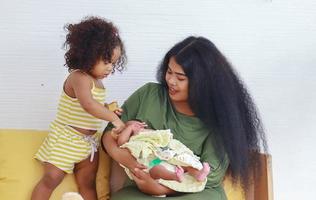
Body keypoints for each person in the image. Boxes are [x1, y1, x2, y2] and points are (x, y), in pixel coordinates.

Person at [102, 36, 267, 199]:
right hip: (141, 188)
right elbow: (111, 130)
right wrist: (118, 153)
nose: (171, 81)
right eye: (169, 72)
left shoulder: (219, 118)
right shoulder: (148, 95)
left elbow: (211, 176)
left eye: (180, 78)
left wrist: (162, 189)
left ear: (202, 83)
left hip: (194, 191)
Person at [31, 16, 126, 200]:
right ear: (88, 55)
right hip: (66, 139)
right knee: (51, 179)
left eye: (113, 63)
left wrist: (107, 109)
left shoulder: (97, 82)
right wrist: (112, 118)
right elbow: (88, 105)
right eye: (106, 61)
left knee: (88, 183)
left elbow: (93, 107)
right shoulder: (79, 77)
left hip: (88, 143)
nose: (110, 68)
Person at [116, 120, 211, 193]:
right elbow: (121, 142)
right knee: (156, 169)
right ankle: (174, 176)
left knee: (185, 163)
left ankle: (198, 174)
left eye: (137, 124)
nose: (134, 126)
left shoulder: (148, 133)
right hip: (152, 161)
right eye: (129, 126)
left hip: (164, 155)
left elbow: (162, 138)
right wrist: (129, 128)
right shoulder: (131, 140)